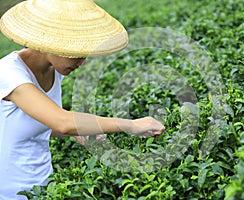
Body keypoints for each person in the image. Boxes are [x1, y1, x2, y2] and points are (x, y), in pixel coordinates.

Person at [0, 0, 165, 199]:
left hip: (45, 187)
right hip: (10, 192)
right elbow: (62, 122)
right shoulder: (8, 73)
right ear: (49, 44)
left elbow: (35, 125)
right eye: (76, 54)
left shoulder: (54, 70)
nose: (83, 62)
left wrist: (83, 131)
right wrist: (130, 125)